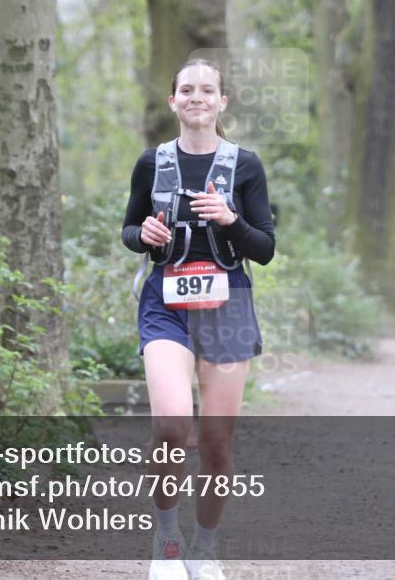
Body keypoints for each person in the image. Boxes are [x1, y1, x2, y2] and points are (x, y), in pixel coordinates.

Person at [122, 58, 275, 580]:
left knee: (215, 442)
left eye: (207, 90)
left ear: (221, 102)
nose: (196, 97)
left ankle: (206, 549)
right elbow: (128, 229)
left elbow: (266, 248)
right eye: (186, 89)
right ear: (173, 101)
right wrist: (145, 235)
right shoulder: (152, 162)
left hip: (228, 304)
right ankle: (167, 540)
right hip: (166, 303)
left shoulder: (245, 165)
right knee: (171, 425)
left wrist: (230, 220)